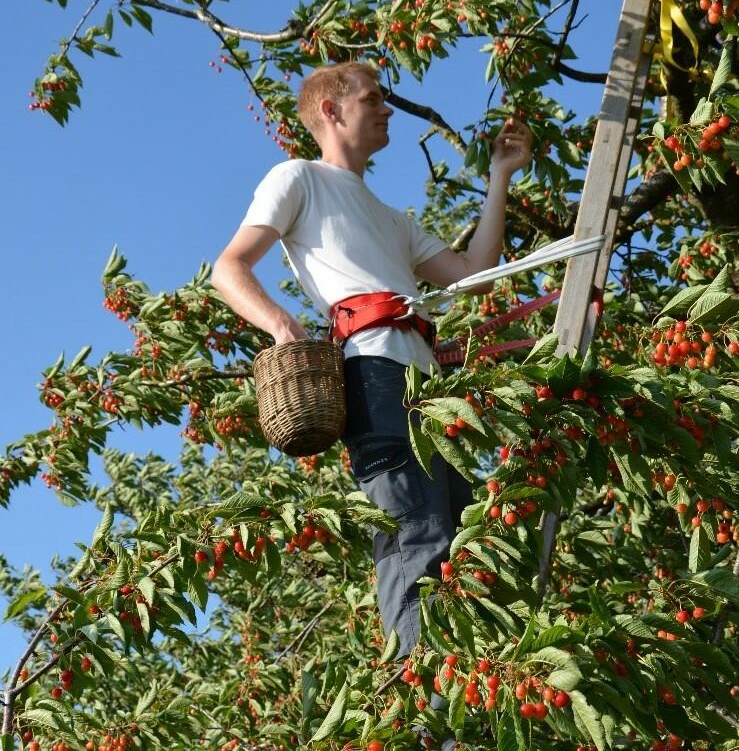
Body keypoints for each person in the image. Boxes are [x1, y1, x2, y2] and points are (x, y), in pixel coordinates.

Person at [211, 61, 532, 745]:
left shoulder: (392, 217)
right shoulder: (296, 178)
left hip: (429, 390)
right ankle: (423, 725)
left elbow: (474, 276)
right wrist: (282, 326)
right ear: (331, 109)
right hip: (373, 376)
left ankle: (463, 708)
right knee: (416, 537)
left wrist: (499, 177)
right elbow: (229, 266)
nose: (386, 110)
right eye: (373, 99)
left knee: (461, 546)